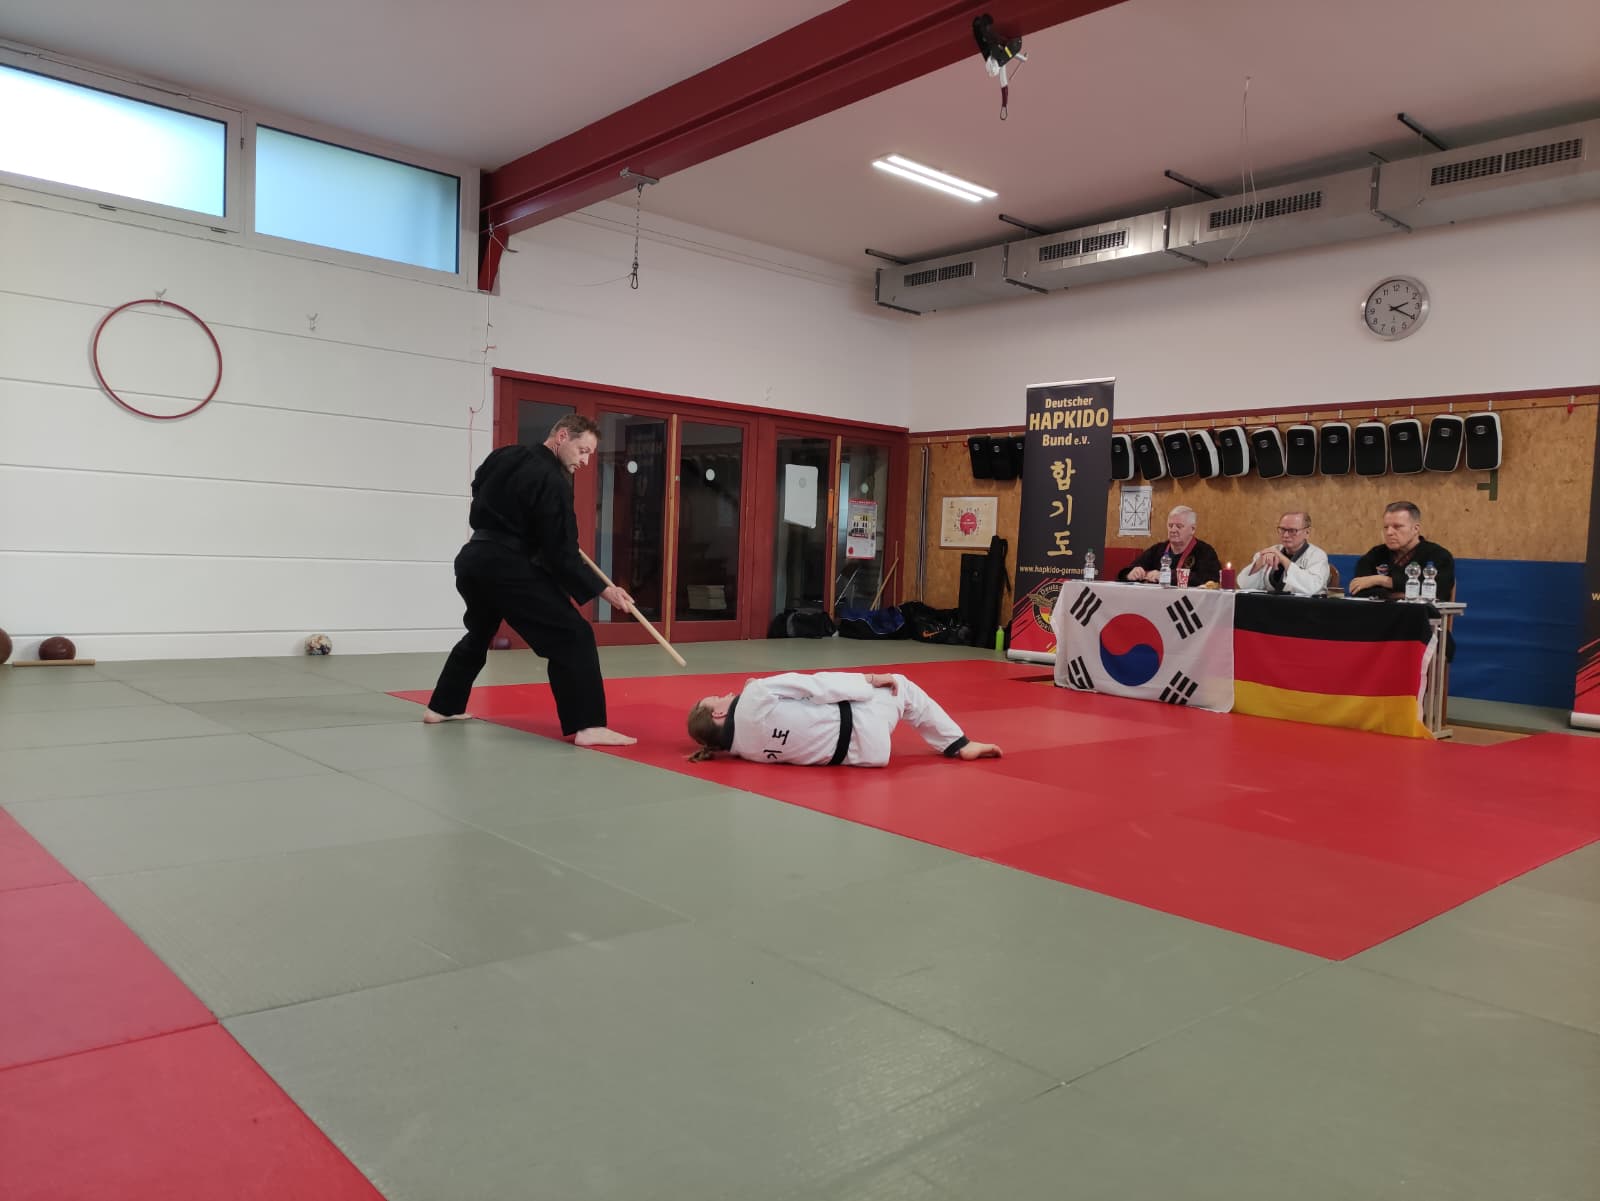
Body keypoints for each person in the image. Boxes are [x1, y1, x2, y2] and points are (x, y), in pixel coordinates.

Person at [424, 416, 637, 746]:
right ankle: (589, 725)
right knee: (574, 635)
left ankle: (443, 706)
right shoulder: (554, 481)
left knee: (479, 631)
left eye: (590, 454)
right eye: (582, 450)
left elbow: (479, 487)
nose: (585, 461)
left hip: (473, 559)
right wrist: (603, 589)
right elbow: (561, 553)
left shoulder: (504, 456)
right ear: (562, 436)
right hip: (506, 566)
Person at [686, 671, 1001, 766]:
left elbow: (759, 715)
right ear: (719, 712)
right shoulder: (755, 696)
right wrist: (869, 679)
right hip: (865, 723)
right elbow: (816, 685)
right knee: (901, 686)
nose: (725, 693)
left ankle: (958, 743)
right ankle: (959, 744)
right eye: (717, 697)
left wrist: (756, 689)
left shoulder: (745, 750)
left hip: (862, 757)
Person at [1347, 501, 1455, 602]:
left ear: (1416, 529)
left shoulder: (1438, 556)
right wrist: (1400, 595)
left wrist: (1380, 580)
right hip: (1378, 614)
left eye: (1397, 527)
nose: (1389, 532)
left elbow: (1436, 593)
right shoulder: (1376, 554)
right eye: (1386, 527)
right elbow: (1358, 589)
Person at [1118, 505, 1222, 587]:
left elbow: (1210, 579)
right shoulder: (1158, 549)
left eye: (1179, 526)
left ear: (1192, 529)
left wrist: (1166, 576)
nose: (1173, 530)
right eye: (1170, 525)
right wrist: (1130, 574)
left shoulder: (1205, 551)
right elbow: (1127, 571)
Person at [1236, 510, 1330, 597]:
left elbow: (1312, 588)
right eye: (1282, 529)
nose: (1285, 535)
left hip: (1306, 607)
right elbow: (1243, 585)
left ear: (1307, 532)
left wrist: (1283, 559)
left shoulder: (1317, 556)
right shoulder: (1271, 552)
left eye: (1292, 531)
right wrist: (1258, 564)